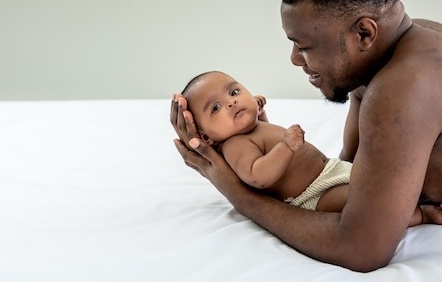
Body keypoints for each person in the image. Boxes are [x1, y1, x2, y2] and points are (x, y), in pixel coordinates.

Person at [170, 0, 442, 272]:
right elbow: (351, 166)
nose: (294, 59)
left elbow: (361, 248)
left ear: (363, 33)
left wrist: (237, 193)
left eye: (303, 46)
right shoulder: (394, 47)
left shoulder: (401, 87)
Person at [178, 70, 433, 226]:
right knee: (367, 206)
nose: (231, 103)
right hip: (312, 195)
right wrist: (287, 146)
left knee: (378, 185)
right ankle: (420, 215)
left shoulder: (250, 131)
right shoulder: (234, 146)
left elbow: (264, 145)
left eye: (234, 92)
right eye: (216, 108)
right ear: (206, 137)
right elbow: (258, 175)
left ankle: (414, 195)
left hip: (331, 172)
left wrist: (260, 116)